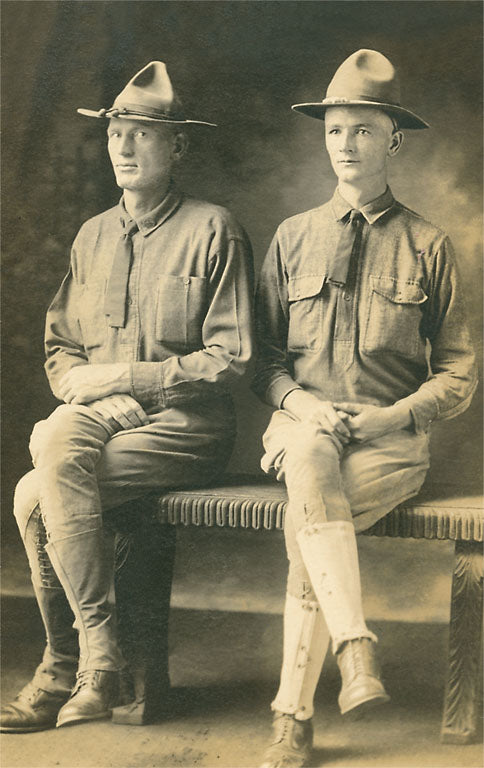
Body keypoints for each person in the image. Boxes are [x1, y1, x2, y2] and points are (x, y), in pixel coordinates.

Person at [1, 61, 253, 733]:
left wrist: (122, 381)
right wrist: (82, 393)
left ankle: (68, 666)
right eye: (116, 132)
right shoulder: (91, 236)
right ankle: (94, 661)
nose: (124, 146)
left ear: (179, 146)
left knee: (37, 488)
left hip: (187, 428)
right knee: (42, 476)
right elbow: (61, 349)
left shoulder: (213, 229)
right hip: (101, 425)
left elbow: (231, 359)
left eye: (142, 133)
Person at [253, 49, 477, 768]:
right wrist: (300, 403)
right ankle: (352, 648)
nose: (345, 144)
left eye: (363, 130)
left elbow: (459, 371)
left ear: (394, 141)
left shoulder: (428, 244)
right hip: (302, 424)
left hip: (390, 440)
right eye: (334, 130)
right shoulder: (292, 237)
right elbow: (263, 362)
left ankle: (292, 717)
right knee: (310, 457)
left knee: (310, 521)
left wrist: (394, 417)